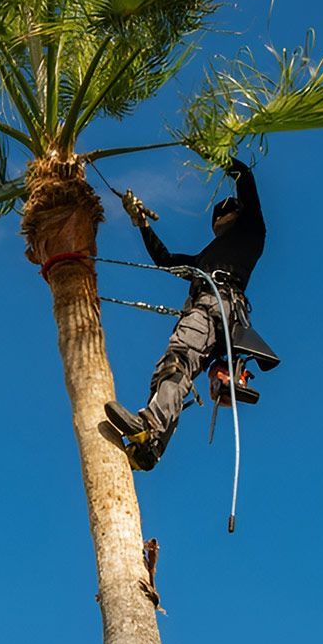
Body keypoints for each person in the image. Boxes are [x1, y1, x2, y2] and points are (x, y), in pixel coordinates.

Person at [104, 158, 266, 470]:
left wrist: (216, 154)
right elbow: (165, 260)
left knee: (178, 357)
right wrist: (142, 224)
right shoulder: (205, 256)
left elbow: (244, 176)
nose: (222, 216)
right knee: (173, 367)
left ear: (239, 215)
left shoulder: (252, 231)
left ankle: (150, 426)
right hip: (214, 312)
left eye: (228, 210)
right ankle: (150, 444)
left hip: (214, 307)